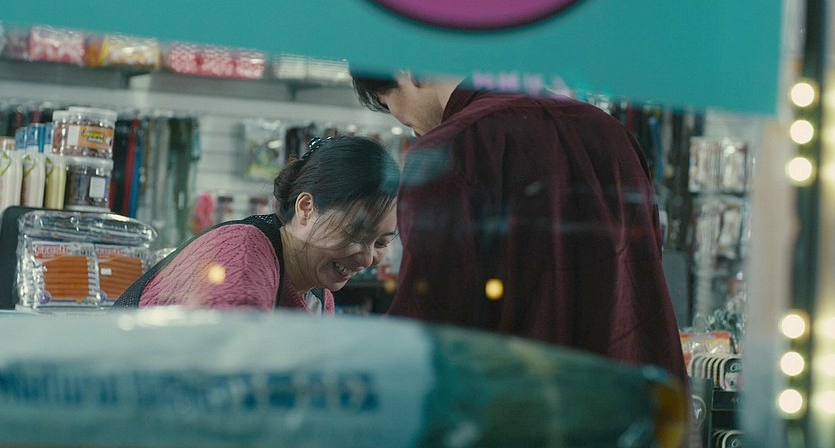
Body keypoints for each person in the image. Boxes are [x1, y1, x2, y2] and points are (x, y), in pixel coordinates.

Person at [351, 71, 689, 386]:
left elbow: (432, 317)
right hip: (628, 398)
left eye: (388, 104)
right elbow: (642, 276)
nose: (410, 127)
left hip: (522, 403)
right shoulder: (612, 133)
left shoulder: (448, 149)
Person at [112, 136, 401, 313]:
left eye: (381, 242)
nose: (367, 258)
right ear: (305, 208)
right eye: (355, 234)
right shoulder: (241, 257)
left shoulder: (318, 293)